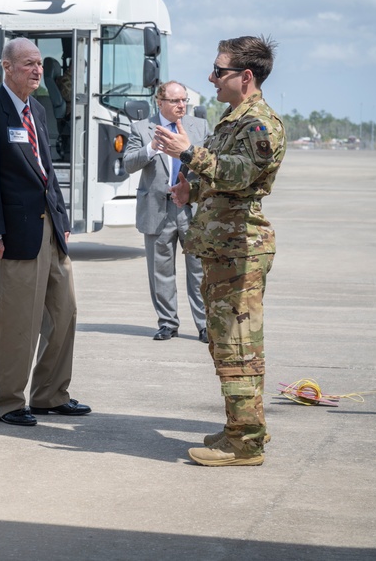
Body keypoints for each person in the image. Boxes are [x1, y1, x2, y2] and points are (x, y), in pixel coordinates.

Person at [154, 35, 284, 467]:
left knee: (237, 344)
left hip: (240, 251)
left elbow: (240, 175)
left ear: (245, 77)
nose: (211, 78)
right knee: (225, 344)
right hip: (221, 248)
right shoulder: (232, 118)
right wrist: (191, 190)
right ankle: (241, 427)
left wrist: (188, 152)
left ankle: (245, 443)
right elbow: (220, 176)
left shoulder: (259, 124)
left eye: (219, 71)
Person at [0, 37, 90, 427]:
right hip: (15, 234)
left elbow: (47, 171)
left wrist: (62, 222)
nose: (37, 70)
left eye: (39, 63)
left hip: (49, 228)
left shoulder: (37, 107)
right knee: (20, 321)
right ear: (7, 67)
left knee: (64, 313)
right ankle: (9, 402)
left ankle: (51, 395)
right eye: (28, 64)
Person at [123, 81, 208, 343]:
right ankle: (168, 323)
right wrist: (152, 148)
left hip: (189, 207)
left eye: (184, 100)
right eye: (175, 101)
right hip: (157, 209)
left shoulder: (200, 127)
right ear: (159, 102)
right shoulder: (141, 128)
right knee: (161, 271)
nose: (182, 105)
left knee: (199, 270)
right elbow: (128, 163)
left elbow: (210, 163)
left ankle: (205, 325)